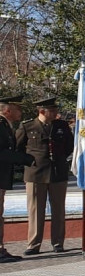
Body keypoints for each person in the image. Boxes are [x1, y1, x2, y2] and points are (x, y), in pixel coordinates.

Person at [15, 98, 74, 255]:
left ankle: (58, 243)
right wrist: (29, 162)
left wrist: (60, 159)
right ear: (42, 111)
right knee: (35, 211)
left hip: (58, 172)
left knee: (58, 210)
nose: (56, 113)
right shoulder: (27, 126)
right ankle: (33, 244)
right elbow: (18, 148)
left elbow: (70, 145)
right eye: (52, 111)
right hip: (35, 174)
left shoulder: (61, 126)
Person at [0, 95, 33, 263]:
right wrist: (24, 159)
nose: (21, 111)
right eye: (17, 108)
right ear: (8, 110)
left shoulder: (6, 125)